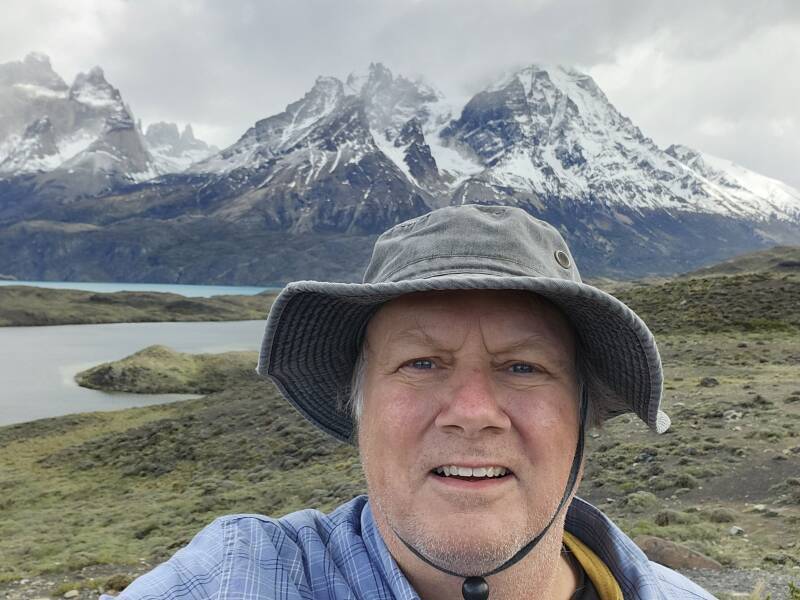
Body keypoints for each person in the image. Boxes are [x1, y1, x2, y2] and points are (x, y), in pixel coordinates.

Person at [109, 205, 714, 599]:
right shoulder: (240, 578)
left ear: (586, 415)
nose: (472, 410)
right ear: (359, 407)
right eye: (420, 364)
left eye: (523, 367)